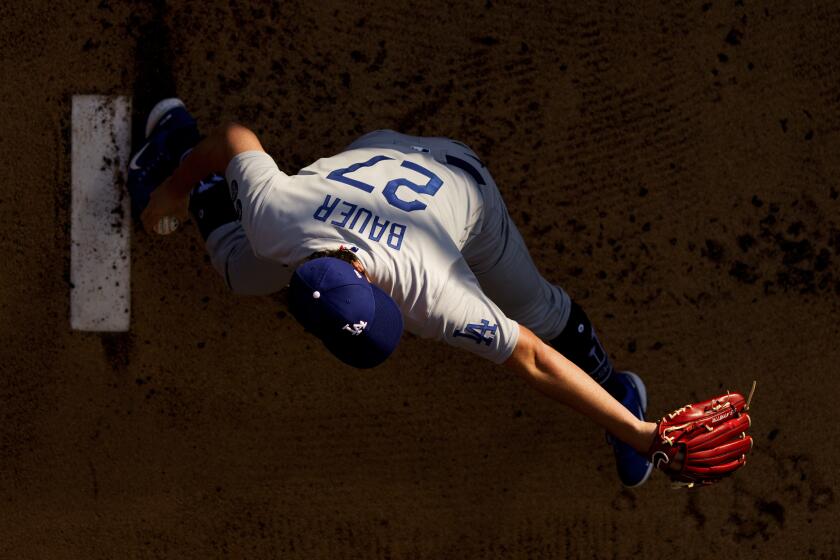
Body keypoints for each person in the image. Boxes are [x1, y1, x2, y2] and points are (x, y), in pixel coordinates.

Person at [131, 98, 656, 487]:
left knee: (535, 309)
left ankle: (617, 388)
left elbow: (533, 356)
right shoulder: (277, 218)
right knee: (245, 271)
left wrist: (637, 431)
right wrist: (176, 187)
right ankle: (175, 140)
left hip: (461, 186)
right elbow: (233, 138)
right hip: (372, 160)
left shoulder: (436, 293)